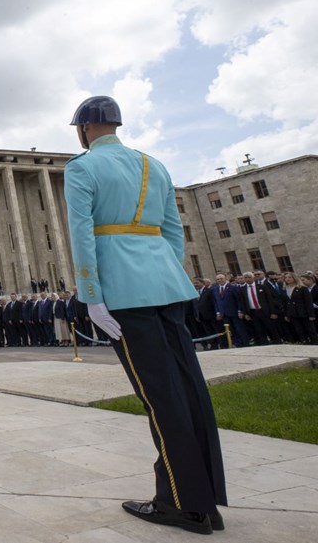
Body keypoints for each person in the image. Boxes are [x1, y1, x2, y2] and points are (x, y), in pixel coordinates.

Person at [64, 95, 226, 534]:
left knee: (160, 399)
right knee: (189, 390)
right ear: (116, 125)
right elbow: (172, 232)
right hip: (166, 288)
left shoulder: (81, 168)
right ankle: (205, 500)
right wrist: (166, 276)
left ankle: (180, 503)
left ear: (83, 129)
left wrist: (91, 295)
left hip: (123, 293)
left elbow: (82, 235)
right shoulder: (154, 166)